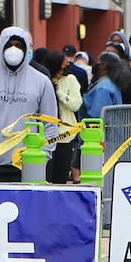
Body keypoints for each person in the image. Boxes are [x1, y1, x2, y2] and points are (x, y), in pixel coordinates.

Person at [0, 26, 58, 183]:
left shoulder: (41, 82)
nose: (14, 50)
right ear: (1, 47)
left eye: (19, 45)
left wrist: (41, 159)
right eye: (9, 45)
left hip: (28, 166)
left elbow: (50, 126)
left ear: (26, 48)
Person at [38, 48, 81, 182]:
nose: (63, 71)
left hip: (65, 135)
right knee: (45, 175)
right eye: (61, 68)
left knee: (61, 176)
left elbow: (76, 104)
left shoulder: (70, 80)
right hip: (46, 136)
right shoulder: (43, 80)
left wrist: (59, 93)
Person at [83, 52, 131, 121]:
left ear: (103, 65)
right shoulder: (112, 83)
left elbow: (98, 114)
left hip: (103, 130)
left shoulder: (102, 88)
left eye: (98, 63)